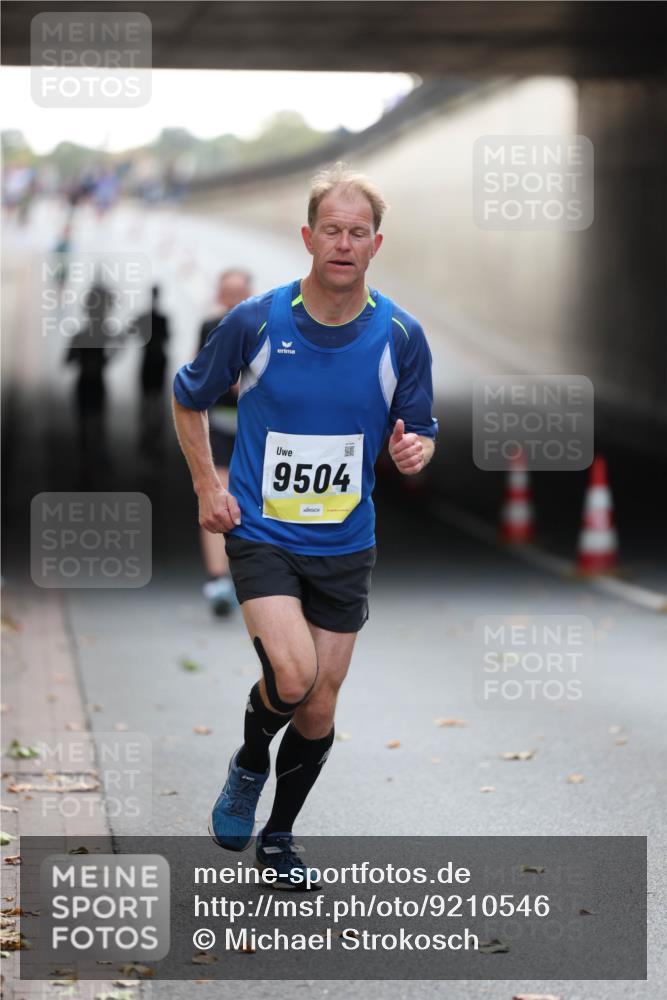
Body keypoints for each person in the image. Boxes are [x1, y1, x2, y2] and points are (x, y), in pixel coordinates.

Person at [172, 163, 437, 886]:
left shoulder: (401, 335)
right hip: (262, 531)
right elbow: (187, 395)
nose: (343, 244)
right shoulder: (254, 320)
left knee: (319, 703)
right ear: (307, 237)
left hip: (346, 541)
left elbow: (420, 430)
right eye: (331, 230)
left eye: (357, 233)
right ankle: (248, 763)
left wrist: (414, 448)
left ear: (374, 244)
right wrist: (206, 484)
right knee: (291, 675)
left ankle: (280, 838)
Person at [196, 269, 253, 616]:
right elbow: (198, 375)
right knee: (217, 497)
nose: (232, 299)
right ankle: (218, 578)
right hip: (218, 424)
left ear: (249, 294)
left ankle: (255, 576)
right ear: (219, 294)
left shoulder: (263, 327)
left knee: (254, 502)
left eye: (239, 293)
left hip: (254, 429)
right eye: (227, 292)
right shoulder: (209, 327)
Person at [130, 285, 171, 460]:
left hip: (149, 360)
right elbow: (167, 338)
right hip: (157, 359)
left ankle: (149, 435)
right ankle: (153, 435)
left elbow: (133, 333)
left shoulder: (146, 317)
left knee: (148, 399)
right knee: (154, 399)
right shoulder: (161, 318)